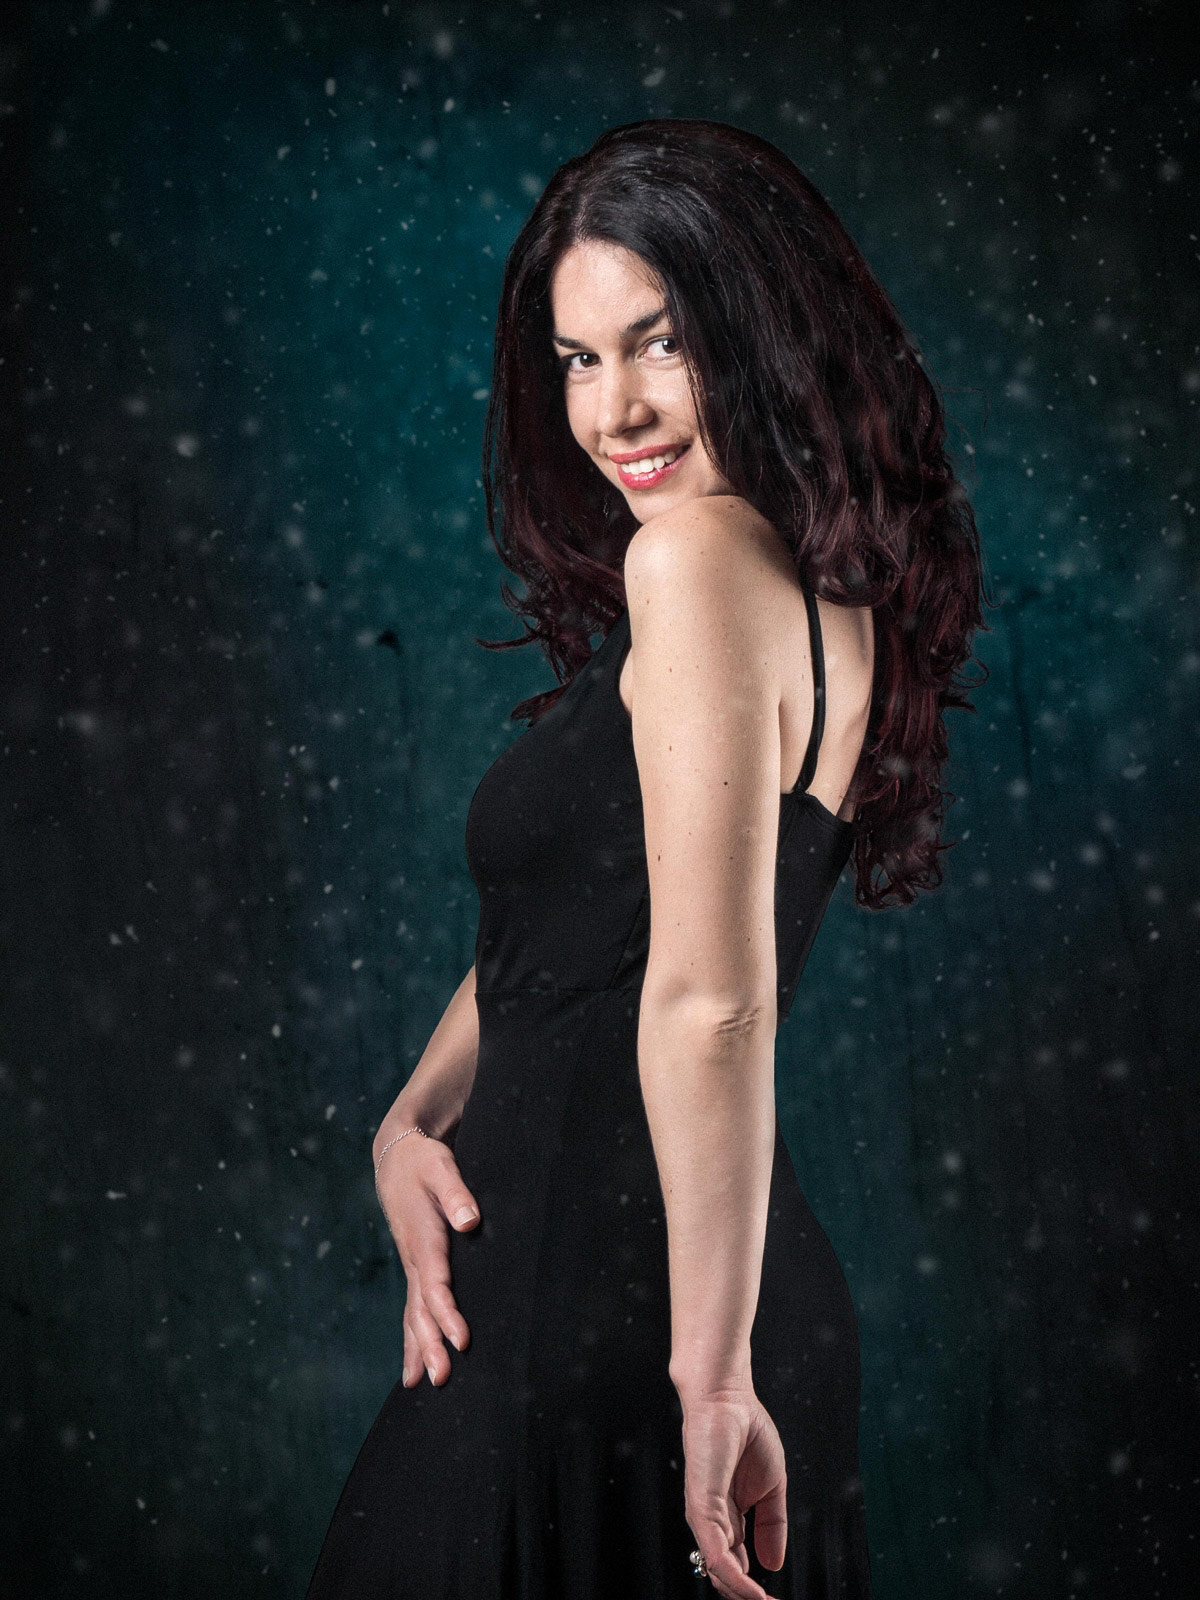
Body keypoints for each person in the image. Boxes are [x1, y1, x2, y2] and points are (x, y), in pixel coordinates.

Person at [306, 117, 988, 1600]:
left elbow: (711, 1002)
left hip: (611, 1313)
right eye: (577, 359)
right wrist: (412, 1116)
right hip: (669, 1299)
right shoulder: (802, 584)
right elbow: (593, 934)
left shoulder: (694, 562)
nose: (613, 410)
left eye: (659, 343)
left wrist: (710, 1376)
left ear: (761, 335)